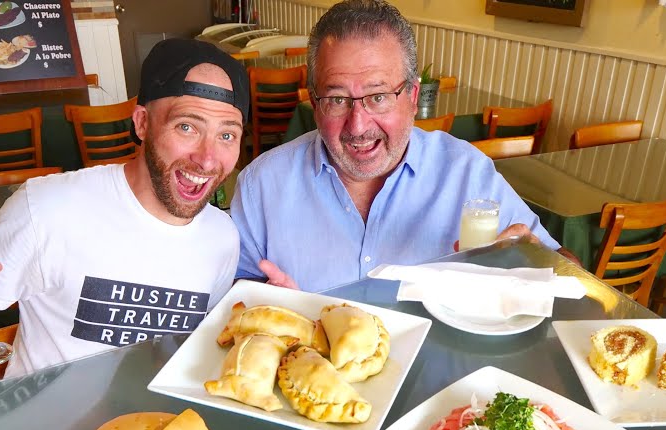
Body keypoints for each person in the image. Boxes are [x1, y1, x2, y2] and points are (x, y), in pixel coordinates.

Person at [0, 38, 249, 378]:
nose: (206, 159)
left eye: (227, 135)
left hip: (155, 426)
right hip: (47, 428)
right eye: (187, 127)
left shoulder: (223, 238)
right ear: (142, 123)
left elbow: (200, 347)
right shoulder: (46, 208)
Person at [230, 0, 565, 293]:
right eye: (336, 99)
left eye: (378, 97)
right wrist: (265, 305)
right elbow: (232, 296)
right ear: (315, 104)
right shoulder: (261, 184)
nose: (358, 126)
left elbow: (566, 272)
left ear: (413, 98)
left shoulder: (467, 174)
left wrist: (532, 263)